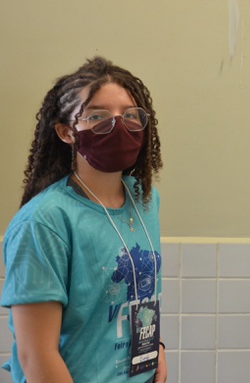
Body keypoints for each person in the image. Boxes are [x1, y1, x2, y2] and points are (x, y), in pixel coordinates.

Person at [1, 57, 166, 382]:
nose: (118, 126)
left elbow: (134, 296)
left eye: (130, 115)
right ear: (66, 132)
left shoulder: (145, 199)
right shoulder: (44, 222)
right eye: (97, 117)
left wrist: (155, 346)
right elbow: (36, 356)